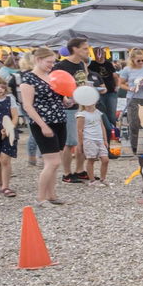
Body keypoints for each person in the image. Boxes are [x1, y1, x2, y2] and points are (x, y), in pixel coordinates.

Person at [18, 48, 69, 207]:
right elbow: (28, 106)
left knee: (55, 162)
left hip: (59, 120)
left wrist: (67, 101)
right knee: (52, 162)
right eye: (49, 62)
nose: (52, 65)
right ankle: (40, 197)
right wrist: (43, 125)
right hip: (43, 123)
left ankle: (52, 195)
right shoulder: (28, 79)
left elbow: (60, 97)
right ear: (38, 60)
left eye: (53, 62)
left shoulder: (52, 76)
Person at [57, 37, 89, 183]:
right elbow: (55, 85)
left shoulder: (81, 64)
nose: (87, 51)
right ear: (75, 49)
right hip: (68, 108)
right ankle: (66, 173)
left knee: (82, 140)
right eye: (85, 48)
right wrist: (65, 97)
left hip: (81, 105)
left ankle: (80, 170)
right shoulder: (61, 66)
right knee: (70, 141)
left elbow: (83, 81)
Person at [73, 87, 111, 186]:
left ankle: (103, 179)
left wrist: (105, 140)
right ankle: (92, 180)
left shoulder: (98, 112)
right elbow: (80, 130)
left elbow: (102, 126)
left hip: (99, 140)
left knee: (105, 160)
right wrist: (80, 144)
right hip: (89, 140)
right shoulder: (81, 115)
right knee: (91, 160)